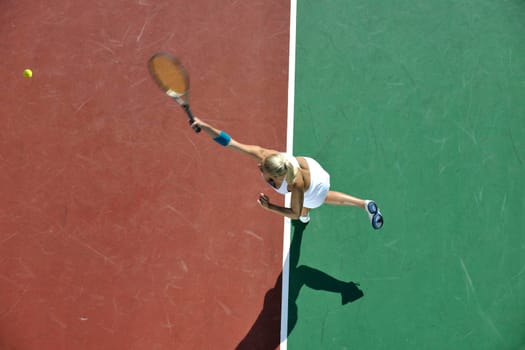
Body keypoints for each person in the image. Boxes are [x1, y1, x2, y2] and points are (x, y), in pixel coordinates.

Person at [190, 118, 383, 229]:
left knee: (310, 205)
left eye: (263, 171)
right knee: (306, 204)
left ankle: (361, 205)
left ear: (276, 178)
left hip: (315, 184)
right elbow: (230, 142)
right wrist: (204, 125)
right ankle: (365, 204)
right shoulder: (266, 157)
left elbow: (294, 213)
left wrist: (270, 207)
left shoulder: (295, 185)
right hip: (310, 167)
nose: (259, 167)